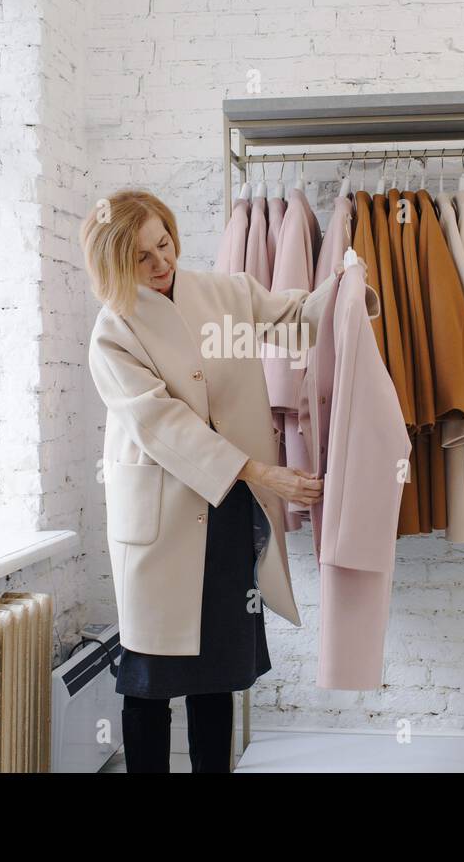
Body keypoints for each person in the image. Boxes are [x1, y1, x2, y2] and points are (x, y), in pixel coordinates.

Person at [82, 189, 350, 773]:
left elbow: (298, 317)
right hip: (163, 518)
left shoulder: (223, 293)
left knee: (218, 670)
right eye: (143, 258)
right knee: (149, 676)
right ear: (113, 266)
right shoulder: (112, 333)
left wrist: (353, 287)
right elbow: (161, 423)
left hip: (227, 510)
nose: (162, 263)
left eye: (165, 243)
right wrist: (260, 471)